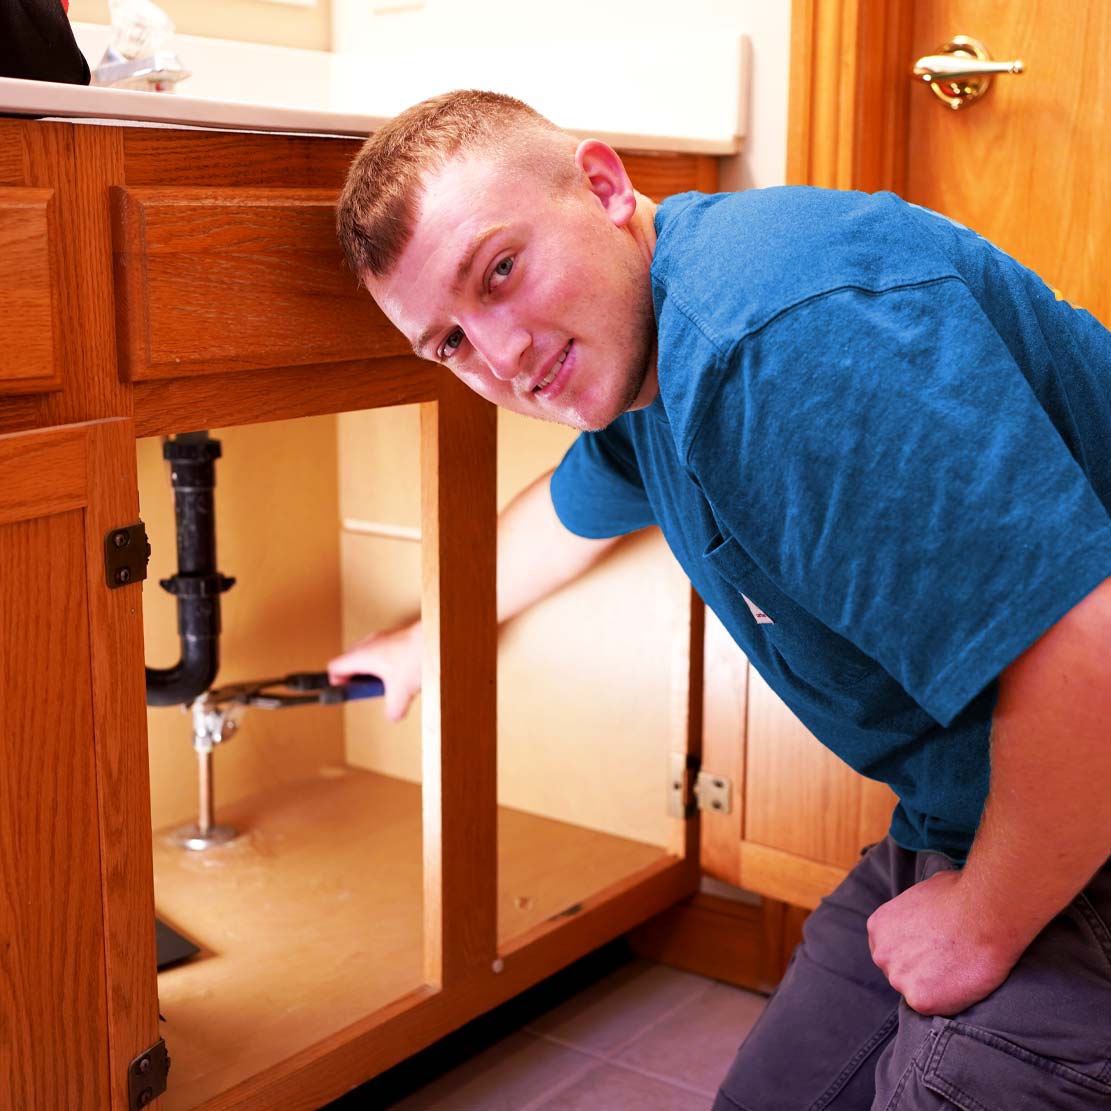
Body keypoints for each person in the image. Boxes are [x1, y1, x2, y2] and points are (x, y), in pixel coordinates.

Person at [329, 89, 1111, 1109]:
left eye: (501, 271)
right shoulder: (648, 356)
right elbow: (564, 522)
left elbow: (1090, 650)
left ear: (603, 186)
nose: (504, 357)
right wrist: (429, 640)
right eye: (450, 343)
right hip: (980, 812)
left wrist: (981, 926)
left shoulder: (775, 342)